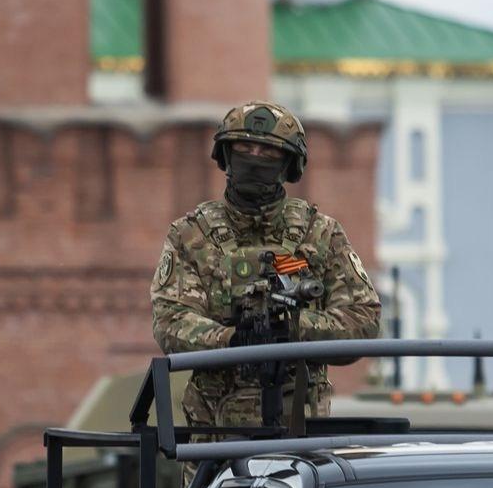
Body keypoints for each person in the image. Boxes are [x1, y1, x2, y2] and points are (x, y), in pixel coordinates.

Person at [150, 101, 381, 428]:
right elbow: (170, 321)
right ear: (227, 154)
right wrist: (232, 339)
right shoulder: (191, 235)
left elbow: (364, 319)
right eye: (244, 148)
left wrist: (292, 328)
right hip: (214, 431)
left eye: (268, 152)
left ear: (287, 163)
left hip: (300, 426)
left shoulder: (320, 233)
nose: (255, 158)